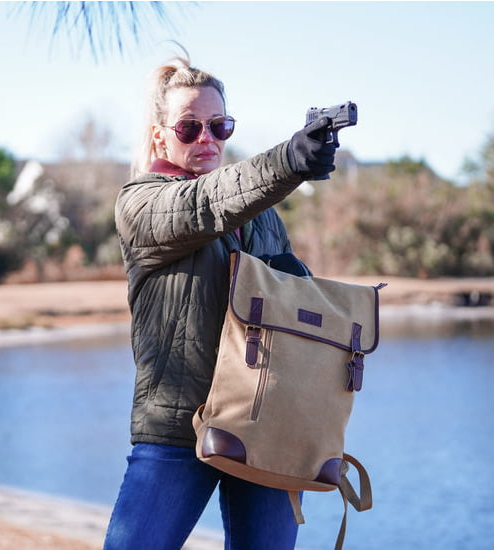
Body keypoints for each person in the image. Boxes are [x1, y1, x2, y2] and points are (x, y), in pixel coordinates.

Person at [103, 50, 340, 550]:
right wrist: (288, 160)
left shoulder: (261, 214)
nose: (207, 139)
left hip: (264, 425)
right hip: (176, 429)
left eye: (219, 125)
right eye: (189, 128)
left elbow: (292, 315)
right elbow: (205, 204)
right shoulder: (141, 202)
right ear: (159, 134)